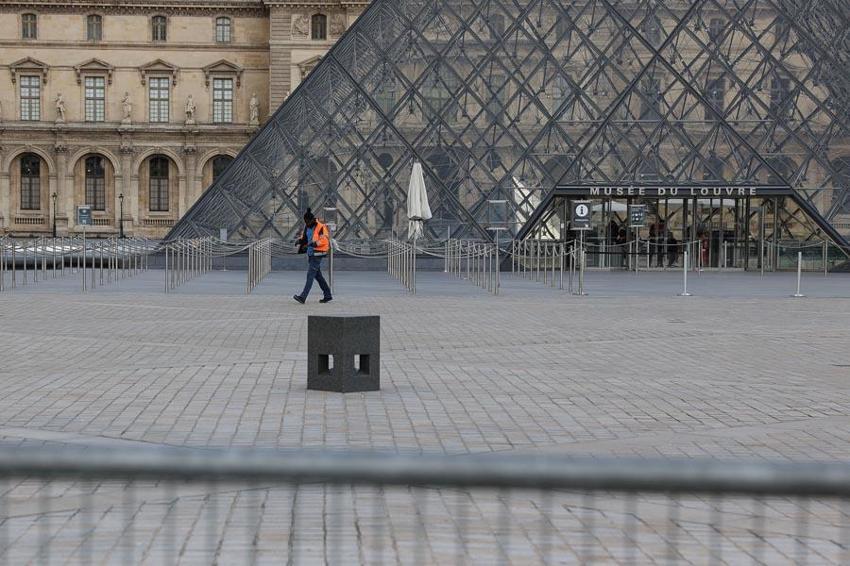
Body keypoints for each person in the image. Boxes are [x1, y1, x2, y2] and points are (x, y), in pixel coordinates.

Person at [293, 208, 333, 304]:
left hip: (318, 253)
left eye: (307, 221)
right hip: (311, 253)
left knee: (310, 275)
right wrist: (299, 241)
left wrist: (311, 244)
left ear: (312, 220)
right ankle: (328, 295)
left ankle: (303, 297)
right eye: (305, 221)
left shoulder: (321, 227)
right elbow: (305, 238)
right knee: (318, 276)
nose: (306, 223)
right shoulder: (307, 227)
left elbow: (324, 241)